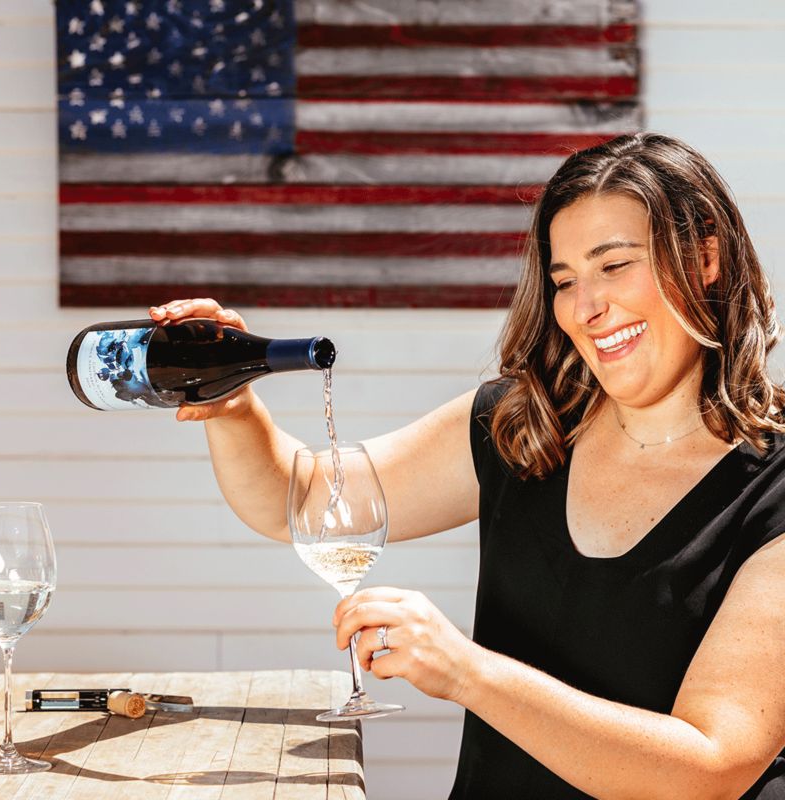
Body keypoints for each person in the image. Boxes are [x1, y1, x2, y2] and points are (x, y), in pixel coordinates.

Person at [149, 133, 785, 799]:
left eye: (614, 266)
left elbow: (711, 769)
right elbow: (302, 499)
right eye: (565, 280)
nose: (586, 307)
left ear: (706, 256)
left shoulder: (773, 487)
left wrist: (466, 672)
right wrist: (232, 407)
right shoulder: (523, 425)